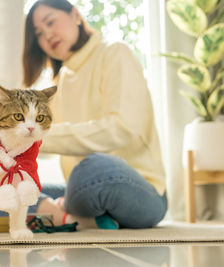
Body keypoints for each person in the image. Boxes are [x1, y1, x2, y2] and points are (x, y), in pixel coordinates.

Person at [22, 0, 167, 229]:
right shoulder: (59, 83)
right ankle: (73, 218)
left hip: (140, 190)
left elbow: (123, 129)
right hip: (82, 194)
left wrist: (38, 136)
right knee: (9, 185)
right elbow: (47, 144)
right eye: (39, 33)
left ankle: (64, 213)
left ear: (76, 15)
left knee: (92, 168)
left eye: (51, 22)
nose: (48, 34)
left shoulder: (114, 54)